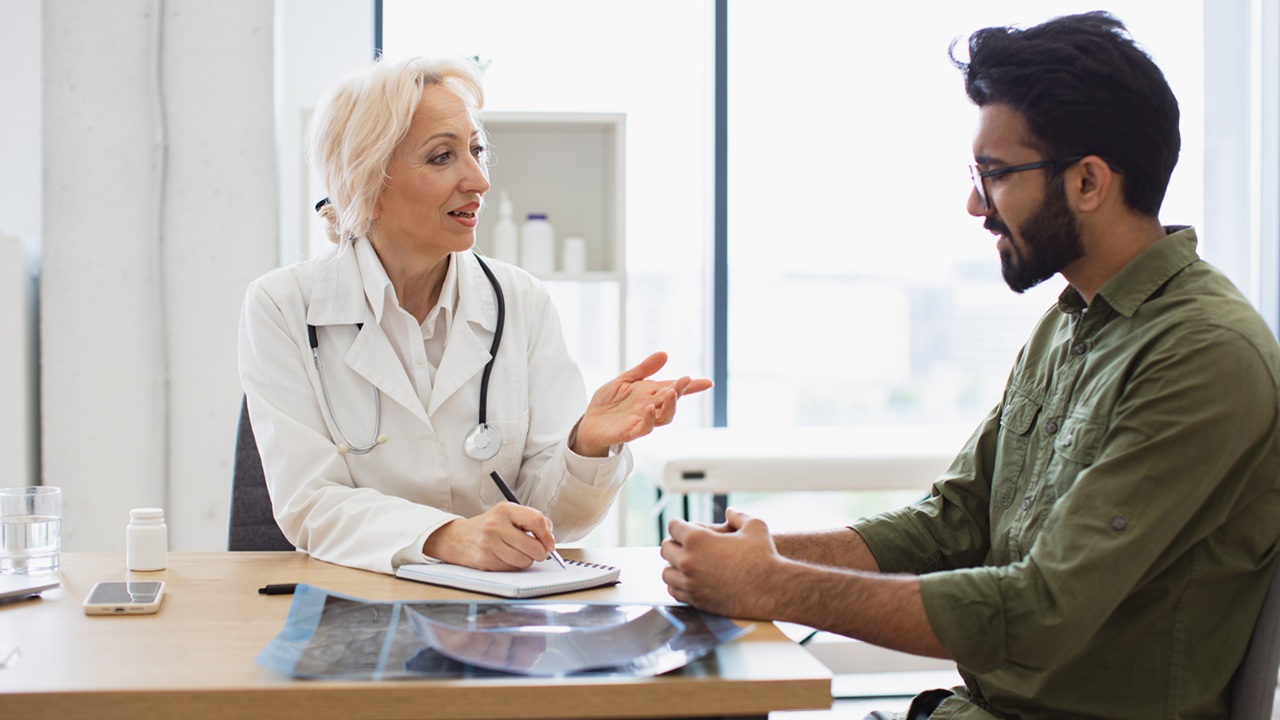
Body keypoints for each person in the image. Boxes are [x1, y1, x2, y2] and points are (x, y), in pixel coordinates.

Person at [661, 12, 1280, 720]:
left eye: (995, 174)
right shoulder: (1073, 320)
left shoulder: (1203, 355)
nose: (974, 203)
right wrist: (752, 558)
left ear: (1087, 182)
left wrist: (772, 585)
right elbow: (952, 524)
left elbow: (1042, 612)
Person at [238, 55, 710, 576]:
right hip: (357, 601)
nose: (478, 180)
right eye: (443, 157)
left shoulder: (519, 300)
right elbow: (310, 503)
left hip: (499, 617)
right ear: (366, 184)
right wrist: (447, 537)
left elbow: (552, 520)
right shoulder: (284, 307)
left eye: (477, 150)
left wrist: (586, 447)